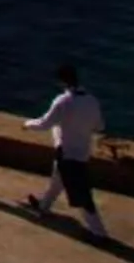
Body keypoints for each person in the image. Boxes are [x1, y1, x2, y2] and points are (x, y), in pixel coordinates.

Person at [21, 63, 109, 239]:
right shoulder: (92, 100)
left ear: (61, 82)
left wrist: (27, 124)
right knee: (57, 181)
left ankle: (99, 233)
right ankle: (43, 206)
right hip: (82, 153)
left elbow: (45, 124)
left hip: (67, 153)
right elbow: (100, 126)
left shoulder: (63, 101)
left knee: (82, 194)